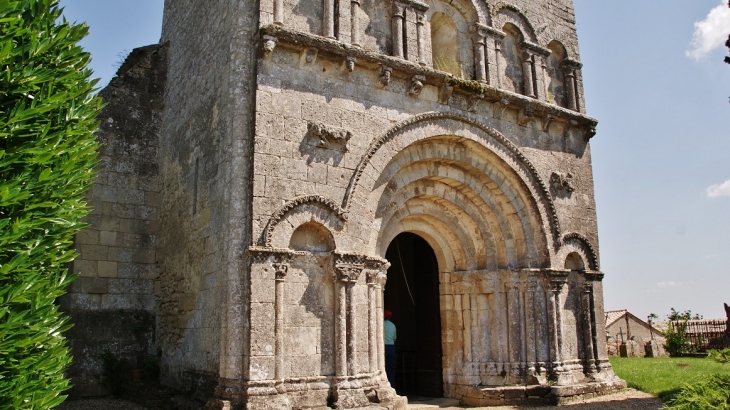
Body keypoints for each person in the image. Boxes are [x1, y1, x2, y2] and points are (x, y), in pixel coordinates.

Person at [383, 309, 397, 386]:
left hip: (384, 347)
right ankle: (392, 386)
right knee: (390, 369)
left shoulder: (382, 324)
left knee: (381, 369)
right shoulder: (393, 325)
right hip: (391, 348)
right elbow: (394, 339)